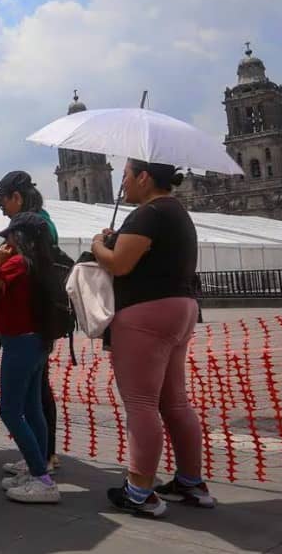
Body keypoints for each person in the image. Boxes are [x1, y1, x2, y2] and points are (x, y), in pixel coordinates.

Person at [92, 160, 211, 517]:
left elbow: (119, 264)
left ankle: (140, 490)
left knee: (141, 402)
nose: (122, 185)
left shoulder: (148, 213)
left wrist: (99, 244)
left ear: (144, 178)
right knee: (174, 401)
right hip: (181, 307)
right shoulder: (176, 212)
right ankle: (191, 481)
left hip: (145, 312)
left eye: (126, 177)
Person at [0, 170, 61, 474]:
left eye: (4, 203)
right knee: (32, 405)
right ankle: (38, 462)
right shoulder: (40, 256)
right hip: (38, 334)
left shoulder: (17, 262)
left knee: (11, 411)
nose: (2, 209)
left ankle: (40, 474)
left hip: (20, 339)